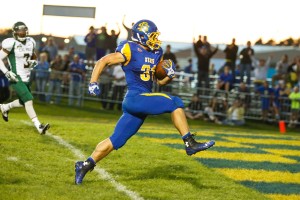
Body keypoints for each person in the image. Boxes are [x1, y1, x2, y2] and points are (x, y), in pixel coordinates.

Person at [74, 19, 215, 185]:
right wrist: (93, 82)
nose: (155, 39)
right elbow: (103, 61)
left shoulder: (156, 52)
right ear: (142, 36)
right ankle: (189, 142)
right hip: (135, 98)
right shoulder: (129, 48)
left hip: (142, 101)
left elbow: (158, 82)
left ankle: (85, 164)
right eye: (152, 35)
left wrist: (169, 75)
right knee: (175, 102)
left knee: (115, 140)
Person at [0, 21, 50, 134]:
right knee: (28, 100)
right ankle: (39, 126)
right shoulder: (10, 43)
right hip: (15, 77)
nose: (22, 33)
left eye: (24, 31)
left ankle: (5, 107)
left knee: (23, 102)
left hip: (26, 77)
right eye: (20, 31)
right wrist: (7, 72)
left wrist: (34, 61)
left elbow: (33, 55)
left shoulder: (31, 41)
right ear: (15, 32)